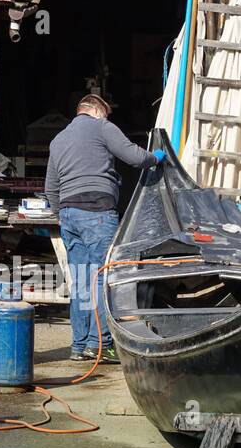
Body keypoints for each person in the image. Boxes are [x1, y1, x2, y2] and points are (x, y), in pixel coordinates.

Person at [45, 94, 164, 363]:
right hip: (97, 211)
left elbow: (51, 187)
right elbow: (133, 157)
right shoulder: (102, 127)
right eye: (107, 115)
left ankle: (79, 346)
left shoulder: (58, 139)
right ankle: (100, 344)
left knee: (81, 281)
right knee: (102, 278)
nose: (109, 120)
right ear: (98, 111)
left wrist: (61, 214)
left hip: (69, 214)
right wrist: (155, 158)